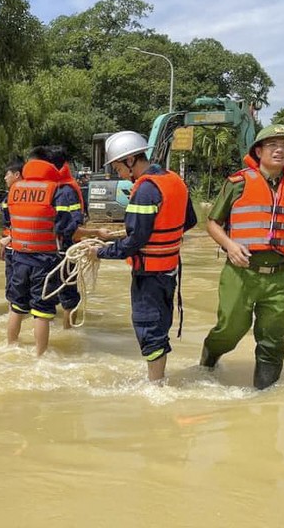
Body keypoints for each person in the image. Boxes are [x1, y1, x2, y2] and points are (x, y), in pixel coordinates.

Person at [199, 124, 284, 389]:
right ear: (258, 151)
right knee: (229, 332)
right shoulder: (237, 184)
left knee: (273, 342)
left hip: (281, 278)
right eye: (272, 145)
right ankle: (208, 361)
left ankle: (263, 403)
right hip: (241, 273)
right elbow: (212, 223)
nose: (280, 150)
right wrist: (230, 245)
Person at [89, 131, 197, 382]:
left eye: (117, 167)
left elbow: (135, 241)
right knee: (160, 325)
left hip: (148, 274)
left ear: (129, 161)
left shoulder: (145, 190)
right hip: (168, 269)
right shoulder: (174, 180)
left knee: (149, 329)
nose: (118, 173)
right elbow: (188, 221)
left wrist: (100, 252)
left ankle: (155, 386)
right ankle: (157, 378)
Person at [51, 148, 113, 329]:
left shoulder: (48, 189)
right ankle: (67, 335)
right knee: (70, 298)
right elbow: (72, 231)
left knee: (44, 298)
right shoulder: (67, 191)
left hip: (43, 251)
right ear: (66, 165)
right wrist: (96, 233)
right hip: (63, 252)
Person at [0, 155, 24, 289]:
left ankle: (13, 309)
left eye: (7, 174)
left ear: (17, 174)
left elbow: (26, 224)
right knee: (11, 282)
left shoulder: (23, 196)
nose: (5, 178)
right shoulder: (8, 196)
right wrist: (4, 244)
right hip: (9, 245)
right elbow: (8, 224)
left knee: (17, 285)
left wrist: (9, 239)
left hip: (19, 247)